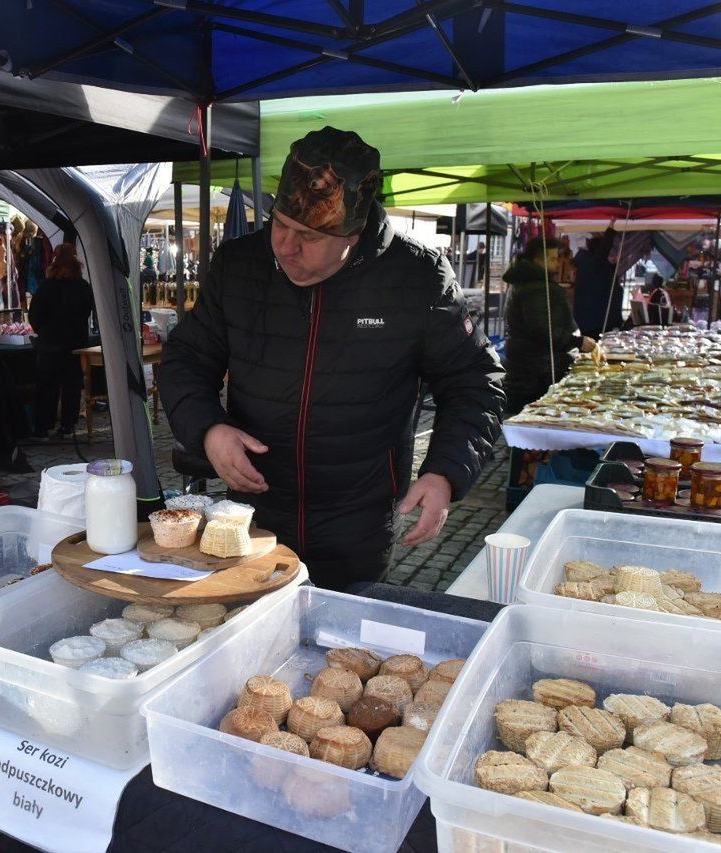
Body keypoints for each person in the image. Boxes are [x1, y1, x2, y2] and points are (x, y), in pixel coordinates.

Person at [160, 127, 505, 592]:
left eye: (308, 235)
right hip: (251, 519)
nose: (284, 246)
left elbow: (474, 383)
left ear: (355, 233)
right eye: (278, 222)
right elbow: (185, 357)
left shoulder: (417, 276)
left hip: (357, 525)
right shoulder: (240, 265)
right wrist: (208, 429)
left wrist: (444, 471)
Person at [502, 237, 591, 414]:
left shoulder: (527, 281)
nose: (558, 262)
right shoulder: (536, 287)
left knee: (528, 420)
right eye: (552, 258)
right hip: (537, 369)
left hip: (531, 364)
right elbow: (541, 328)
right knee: (535, 418)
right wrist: (577, 342)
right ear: (538, 260)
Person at [28, 243, 95, 440]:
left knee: (47, 387)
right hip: (75, 343)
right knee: (71, 387)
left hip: (50, 343)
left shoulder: (47, 286)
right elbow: (86, 312)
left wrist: (43, 331)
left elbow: (35, 314)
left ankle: (42, 429)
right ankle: (68, 426)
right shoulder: (83, 286)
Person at [572, 227, 623, 338]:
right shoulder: (595, 265)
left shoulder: (582, 263)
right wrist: (611, 228)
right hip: (597, 320)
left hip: (584, 319)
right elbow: (604, 249)